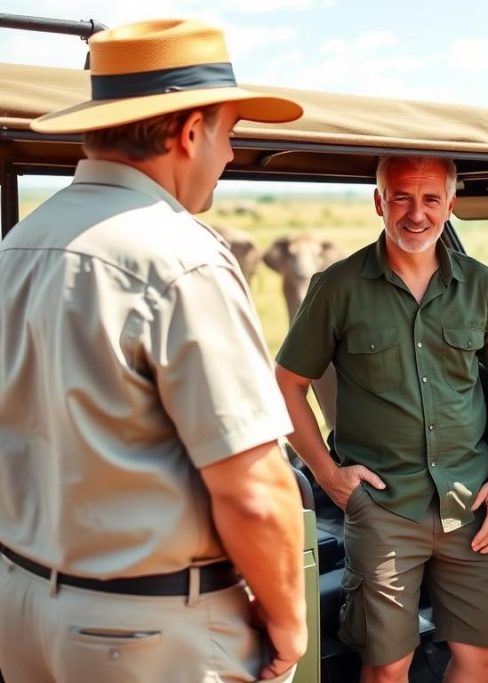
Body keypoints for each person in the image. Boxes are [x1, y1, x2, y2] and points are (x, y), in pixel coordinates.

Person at [0, 18, 307, 683]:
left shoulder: (19, 245)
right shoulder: (183, 258)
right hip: (145, 632)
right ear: (188, 131)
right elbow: (254, 489)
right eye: (228, 135)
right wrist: (288, 622)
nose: (228, 156)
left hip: (21, 610)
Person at [274, 155, 488, 683]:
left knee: (482, 656)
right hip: (384, 507)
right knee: (388, 666)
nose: (417, 214)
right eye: (401, 197)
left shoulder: (481, 285)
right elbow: (286, 385)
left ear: (450, 205)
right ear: (379, 202)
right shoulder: (337, 286)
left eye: (431, 199)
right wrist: (327, 474)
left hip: (472, 503)